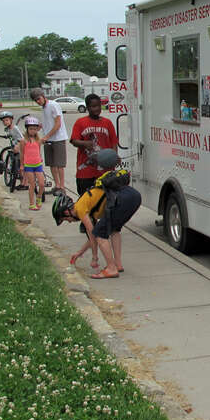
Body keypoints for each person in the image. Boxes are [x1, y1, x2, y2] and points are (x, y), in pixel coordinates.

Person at [52, 151, 142, 280]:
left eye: (66, 220)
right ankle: (117, 264)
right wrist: (80, 252)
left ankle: (111, 269)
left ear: (67, 212)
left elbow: (94, 234)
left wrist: (94, 258)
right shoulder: (86, 206)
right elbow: (93, 235)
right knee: (114, 230)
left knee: (101, 233)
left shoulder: (80, 208)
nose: (70, 222)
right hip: (133, 196)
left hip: (123, 199)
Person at [70, 93, 118, 269]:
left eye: (98, 106)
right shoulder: (80, 123)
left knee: (103, 203)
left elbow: (114, 143)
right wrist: (85, 144)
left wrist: (112, 158)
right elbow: (73, 140)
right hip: (85, 171)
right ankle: (89, 228)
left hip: (103, 172)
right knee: (86, 203)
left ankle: (100, 227)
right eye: (93, 106)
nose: (96, 109)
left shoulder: (107, 123)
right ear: (87, 106)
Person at [30, 87, 68, 193]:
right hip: (47, 139)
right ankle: (57, 185)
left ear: (43, 96)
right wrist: (37, 129)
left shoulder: (53, 105)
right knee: (52, 164)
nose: (38, 101)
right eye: (35, 100)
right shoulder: (44, 108)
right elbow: (47, 123)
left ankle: (62, 187)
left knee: (59, 164)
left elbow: (58, 123)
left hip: (58, 138)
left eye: (38, 99)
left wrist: (47, 136)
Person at [18, 116, 46, 211]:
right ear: (27, 129)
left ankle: (38, 197)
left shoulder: (38, 140)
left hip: (37, 164)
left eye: (35, 129)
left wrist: (40, 157)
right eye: (31, 129)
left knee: (42, 184)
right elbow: (22, 153)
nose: (33, 131)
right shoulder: (23, 140)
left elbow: (38, 150)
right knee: (32, 185)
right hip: (28, 165)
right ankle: (31, 203)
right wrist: (22, 165)